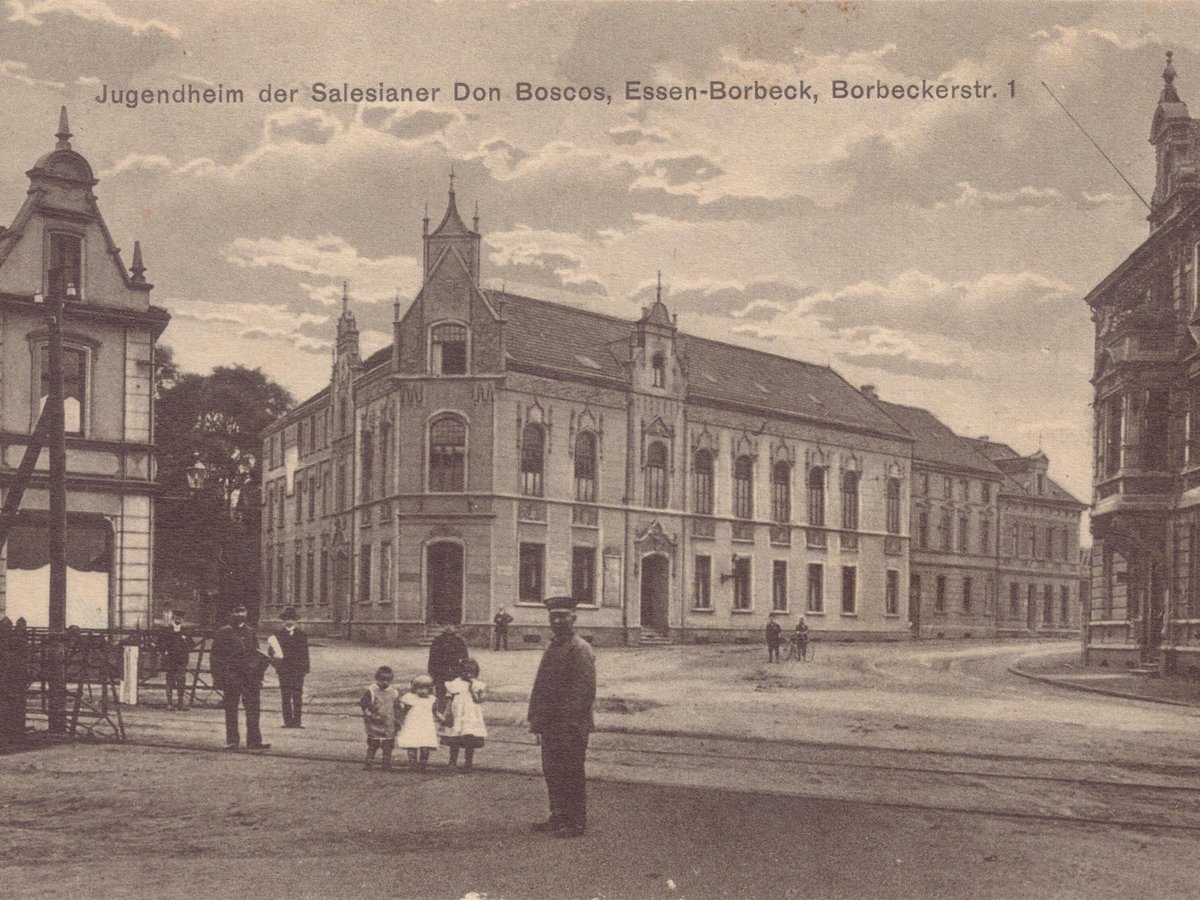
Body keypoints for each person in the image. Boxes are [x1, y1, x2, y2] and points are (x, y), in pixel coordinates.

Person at [528, 596, 596, 839]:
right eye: (553, 617)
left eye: (562, 616)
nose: (557, 621)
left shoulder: (580, 649)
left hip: (571, 725)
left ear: (573, 618)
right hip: (551, 724)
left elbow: (584, 692)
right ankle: (558, 816)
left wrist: (566, 722)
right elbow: (541, 685)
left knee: (571, 772)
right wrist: (535, 718)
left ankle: (576, 822)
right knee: (552, 770)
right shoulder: (553, 646)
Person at [209, 604, 271, 751]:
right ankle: (232, 741)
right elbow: (215, 657)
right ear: (231, 613)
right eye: (236, 612)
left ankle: (254, 741)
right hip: (232, 676)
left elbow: (256, 653)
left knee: (253, 709)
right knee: (231, 709)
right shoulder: (223, 632)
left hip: (250, 677)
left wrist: (258, 674)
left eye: (242, 611)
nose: (240, 615)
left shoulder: (250, 632)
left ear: (247, 613)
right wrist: (218, 679)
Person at [439, 657, 487, 771]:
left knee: (469, 737)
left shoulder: (478, 685)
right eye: (465, 672)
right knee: (455, 738)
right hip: (457, 714)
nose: (468, 675)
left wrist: (472, 689)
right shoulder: (455, 683)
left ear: (475, 672)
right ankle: (452, 762)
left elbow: (479, 700)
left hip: (471, 715)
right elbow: (449, 699)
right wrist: (447, 714)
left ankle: (468, 763)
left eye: (471, 672)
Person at [267, 607, 310, 728]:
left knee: (297, 696)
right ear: (283, 621)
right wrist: (276, 664)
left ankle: (297, 721)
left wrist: (305, 669)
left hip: (298, 670)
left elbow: (305, 654)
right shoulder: (277, 636)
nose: (289, 621)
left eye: (292, 619)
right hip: (284, 670)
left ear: (296, 621)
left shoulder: (301, 635)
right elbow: (271, 652)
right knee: (285, 695)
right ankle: (287, 721)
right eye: (287, 619)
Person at [359, 665, 400, 770]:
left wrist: (398, 720)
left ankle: (386, 763)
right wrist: (367, 712)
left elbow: (396, 707)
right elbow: (364, 704)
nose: (385, 682)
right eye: (382, 680)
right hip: (375, 722)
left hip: (388, 722)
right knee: (373, 743)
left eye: (388, 680)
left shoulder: (394, 692)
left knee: (388, 744)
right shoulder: (372, 690)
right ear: (377, 679)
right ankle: (369, 762)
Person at [396, 673, 439, 768]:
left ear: (430, 689)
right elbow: (403, 710)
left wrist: (443, 720)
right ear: (414, 688)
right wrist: (400, 719)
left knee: (425, 745)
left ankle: (423, 763)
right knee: (412, 744)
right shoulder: (410, 698)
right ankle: (412, 762)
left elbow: (435, 712)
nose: (421, 690)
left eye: (425, 688)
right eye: (418, 688)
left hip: (426, 726)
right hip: (412, 725)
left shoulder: (431, 699)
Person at [157, 609, 191, 710]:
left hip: (182, 660)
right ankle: (170, 703)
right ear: (173, 618)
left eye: (180, 618)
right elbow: (160, 643)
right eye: (176, 617)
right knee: (170, 680)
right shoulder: (167, 630)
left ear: (183, 620)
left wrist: (186, 640)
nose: (178, 619)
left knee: (181, 680)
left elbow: (192, 645)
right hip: (170, 659)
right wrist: (164, 652)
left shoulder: (185, 631)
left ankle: (180, 703)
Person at [427, 623, 468, 701]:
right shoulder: (437, 640)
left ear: (455, 627)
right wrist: (432, 671)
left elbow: (465, 657)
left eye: (451, 625)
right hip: (440, 671)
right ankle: (441, 709)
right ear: (442, 627)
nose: (449, 627)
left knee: (456, 692)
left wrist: (464, 670)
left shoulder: (459, 641)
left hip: (455, 671)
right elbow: (432, 657)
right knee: (440, 692)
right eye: (446, 624)